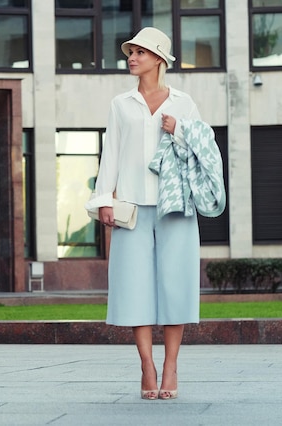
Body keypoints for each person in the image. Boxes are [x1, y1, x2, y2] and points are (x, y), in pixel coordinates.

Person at [88, 27, 206, 401]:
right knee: (133, 286)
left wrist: (181, 130)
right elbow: (112, 154)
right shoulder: (121, 104)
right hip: (132, 208)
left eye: (139, 52)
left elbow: (205, 149)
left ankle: (171, 366)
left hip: (177, 206)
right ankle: (146, 365)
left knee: (176, 285)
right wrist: (104, 198)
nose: (131, 58)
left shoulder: (184, 103)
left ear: (158, 59)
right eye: (130, 53)